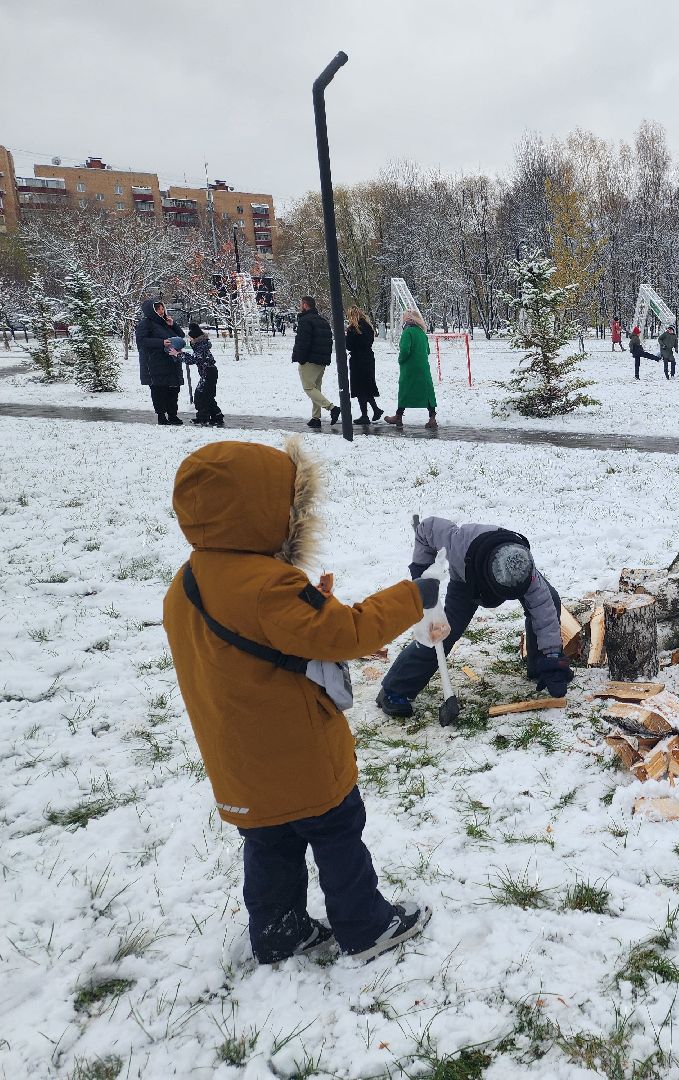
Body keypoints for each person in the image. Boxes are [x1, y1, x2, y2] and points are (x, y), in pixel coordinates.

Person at [162, 438, 438, 964]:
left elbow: (249, 646)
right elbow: (346, 634)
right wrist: (412, 595)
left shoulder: (188, 581)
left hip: (237, 758)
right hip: (297, 753)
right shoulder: (268, 586)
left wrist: (311, 607)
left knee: (270, 841)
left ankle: (278, 930)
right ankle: (366, 925)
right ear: (262, 508)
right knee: (337, 832)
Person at [377, 516, 573, 719]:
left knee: (550, 600)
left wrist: (552, 658)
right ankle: (394, 689)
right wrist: (421, 570)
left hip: (512, 576)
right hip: (466, 582)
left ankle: (542, 666)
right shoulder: (457, 542)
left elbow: (544, 611)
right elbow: (426, 528)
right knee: (443, 632)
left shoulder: (525, 569)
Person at [384, 309, 437, 429]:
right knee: (427, 391)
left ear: (408, 319)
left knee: (405, 390)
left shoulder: (407, 332)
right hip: (423, 367)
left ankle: (398, 416)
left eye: (404, 317)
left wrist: (401, 360)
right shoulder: (421, 332)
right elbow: (428, 351)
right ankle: (432, 418)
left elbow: (404, 350)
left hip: (409, 367)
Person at [293, 296, 340, 429]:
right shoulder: (322, 321)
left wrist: (301, 358)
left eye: (301, 304)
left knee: (308, 388)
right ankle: (316, 418)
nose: (299, 306)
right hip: (321, 361)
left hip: (309, 360)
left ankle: (332, 408)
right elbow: (328, 341)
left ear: (305, 305)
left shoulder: (305, 321)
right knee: (316, 389)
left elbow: (303, 342)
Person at [136, 300, 185, 425]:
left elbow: (181, 336)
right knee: (159, 390)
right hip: (155, 364)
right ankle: (161, 416)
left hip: (172, 362)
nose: (161, 311)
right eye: (157, 309)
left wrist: (173, 325)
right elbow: (141, 341)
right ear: (151, 310)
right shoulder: (146, 324)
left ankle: (173, 415)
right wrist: (161, 343)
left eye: (162, 308)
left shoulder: (166, 323)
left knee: (173, 390)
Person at [179, 322, 224, 426]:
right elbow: (194, 356)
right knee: (208, 396)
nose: (189, 340)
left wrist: (178, 354)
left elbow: (193, 359)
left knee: (200, 396)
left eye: (190, 338)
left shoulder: (201, 346)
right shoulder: (202, 344)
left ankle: (203, 418)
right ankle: (217, 416)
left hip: (207, 373)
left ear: (195, 337)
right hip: (210, 372)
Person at [345, 308, 381, 425]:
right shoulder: (369, 327)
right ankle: (375, 410)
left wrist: (346, 337)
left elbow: (349, 346)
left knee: (360, 388)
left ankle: (365, 415)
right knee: (367, 386)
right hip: (368, 358)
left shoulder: (353, 329)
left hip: (357, 360)